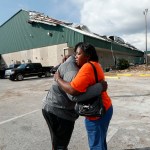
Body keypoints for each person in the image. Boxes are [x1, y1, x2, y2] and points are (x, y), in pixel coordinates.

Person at [42, 52, 108, 150]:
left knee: (57, 141)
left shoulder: (71, 65)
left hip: (53, 107)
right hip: (59, 112)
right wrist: (99, 87)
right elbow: (73, 95)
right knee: (61, 144)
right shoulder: (72, 70)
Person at [54, 42, 113, 150]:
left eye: (78, 54)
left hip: (97, 112)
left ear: (87, 56)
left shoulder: (87, 67)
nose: (75, 56)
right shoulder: (96, 64)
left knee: (96, 145)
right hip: (106, 107)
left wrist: (58, 78)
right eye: (75, 54)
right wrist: (68, 61)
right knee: (100, 141)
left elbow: (72, 90)